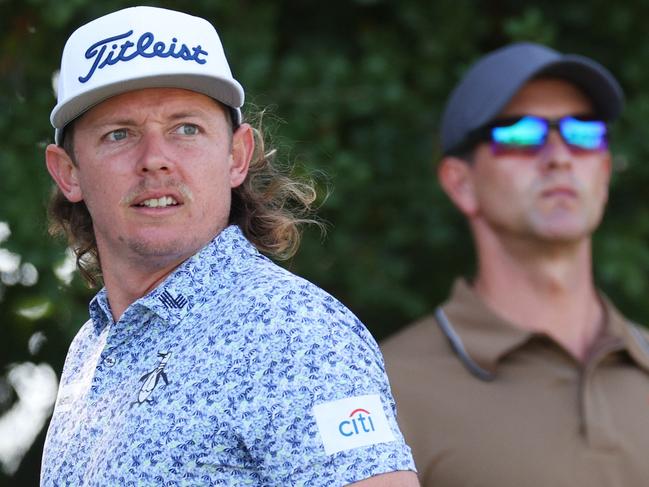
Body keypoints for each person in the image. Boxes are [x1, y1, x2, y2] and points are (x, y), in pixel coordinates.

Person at [40, 6, 418, 486]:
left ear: (237, 155)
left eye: (186, 128)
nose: (155, 160)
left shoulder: (293, 332)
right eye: (120, 134)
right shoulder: (89, 350)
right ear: (68, 173)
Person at [381, 42, 649, 486]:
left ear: (604, 172)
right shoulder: (388, 391)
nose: (561, 156)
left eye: (584, 132)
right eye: (521, 134)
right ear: (460, 183)